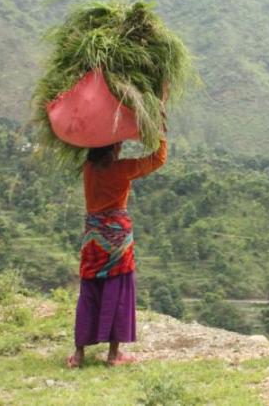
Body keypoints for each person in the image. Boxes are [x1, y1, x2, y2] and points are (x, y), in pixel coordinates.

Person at [66, 125, 167, 368]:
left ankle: (78, 354)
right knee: (118, 288)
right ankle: (113, 355)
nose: (121, 146)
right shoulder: (121, 169)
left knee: (89, 288)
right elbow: (158, 158)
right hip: (117, 239)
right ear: (112, 147)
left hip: (92, 238)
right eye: (118, 143)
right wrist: (160, 132)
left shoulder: (88, 169)